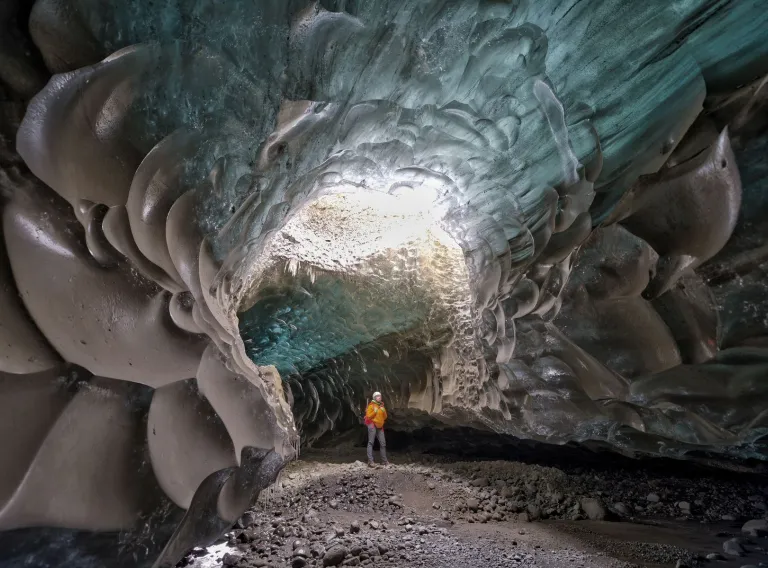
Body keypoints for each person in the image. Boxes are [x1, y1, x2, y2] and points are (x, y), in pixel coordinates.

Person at [364, 391, 388, 467]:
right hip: (372, 424)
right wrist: (375, 411)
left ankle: (384, 461)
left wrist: (383, 411)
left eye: (380, 396)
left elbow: (385, 417)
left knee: (383, 443)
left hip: (380, 426)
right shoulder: (371, 406)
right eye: (377, 396)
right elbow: (368, 416)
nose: (379, 397)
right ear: (374, 398)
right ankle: (370, 461)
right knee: (371, 442)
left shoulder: (382, 407)